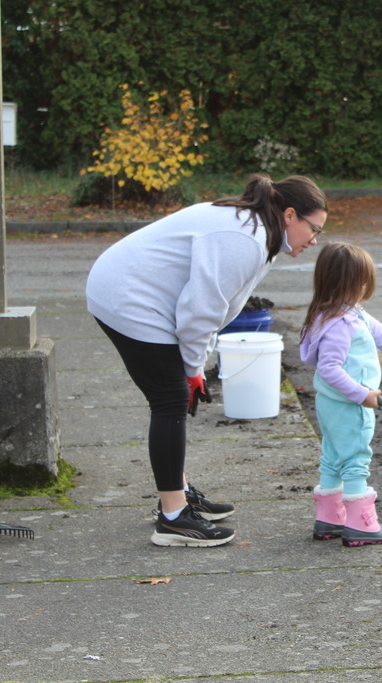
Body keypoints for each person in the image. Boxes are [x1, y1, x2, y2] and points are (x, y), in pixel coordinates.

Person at [85, 174, 328, 547]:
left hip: (136, 293)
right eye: (313, 229)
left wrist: (195, 368)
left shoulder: (260, 234)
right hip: (127, 297)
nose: (314, 241)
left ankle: (178, 493)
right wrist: (190, 367)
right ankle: (173, 518)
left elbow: (218, 309)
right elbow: (198, 313)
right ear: (291, 215)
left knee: (176, 395)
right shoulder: (243, 240)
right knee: (169, 401)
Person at [299, 242, 382, 547]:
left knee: (334, 455)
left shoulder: (341, 313)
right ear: (352, 283)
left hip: (330, 403)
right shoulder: (341, 324)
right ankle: (361, 525)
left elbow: (375, 329)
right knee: (355, 458)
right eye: (363, 280)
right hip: (350, 404)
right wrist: (361, 394)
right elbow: (330, 368)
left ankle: (330, 518)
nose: (366, 285)